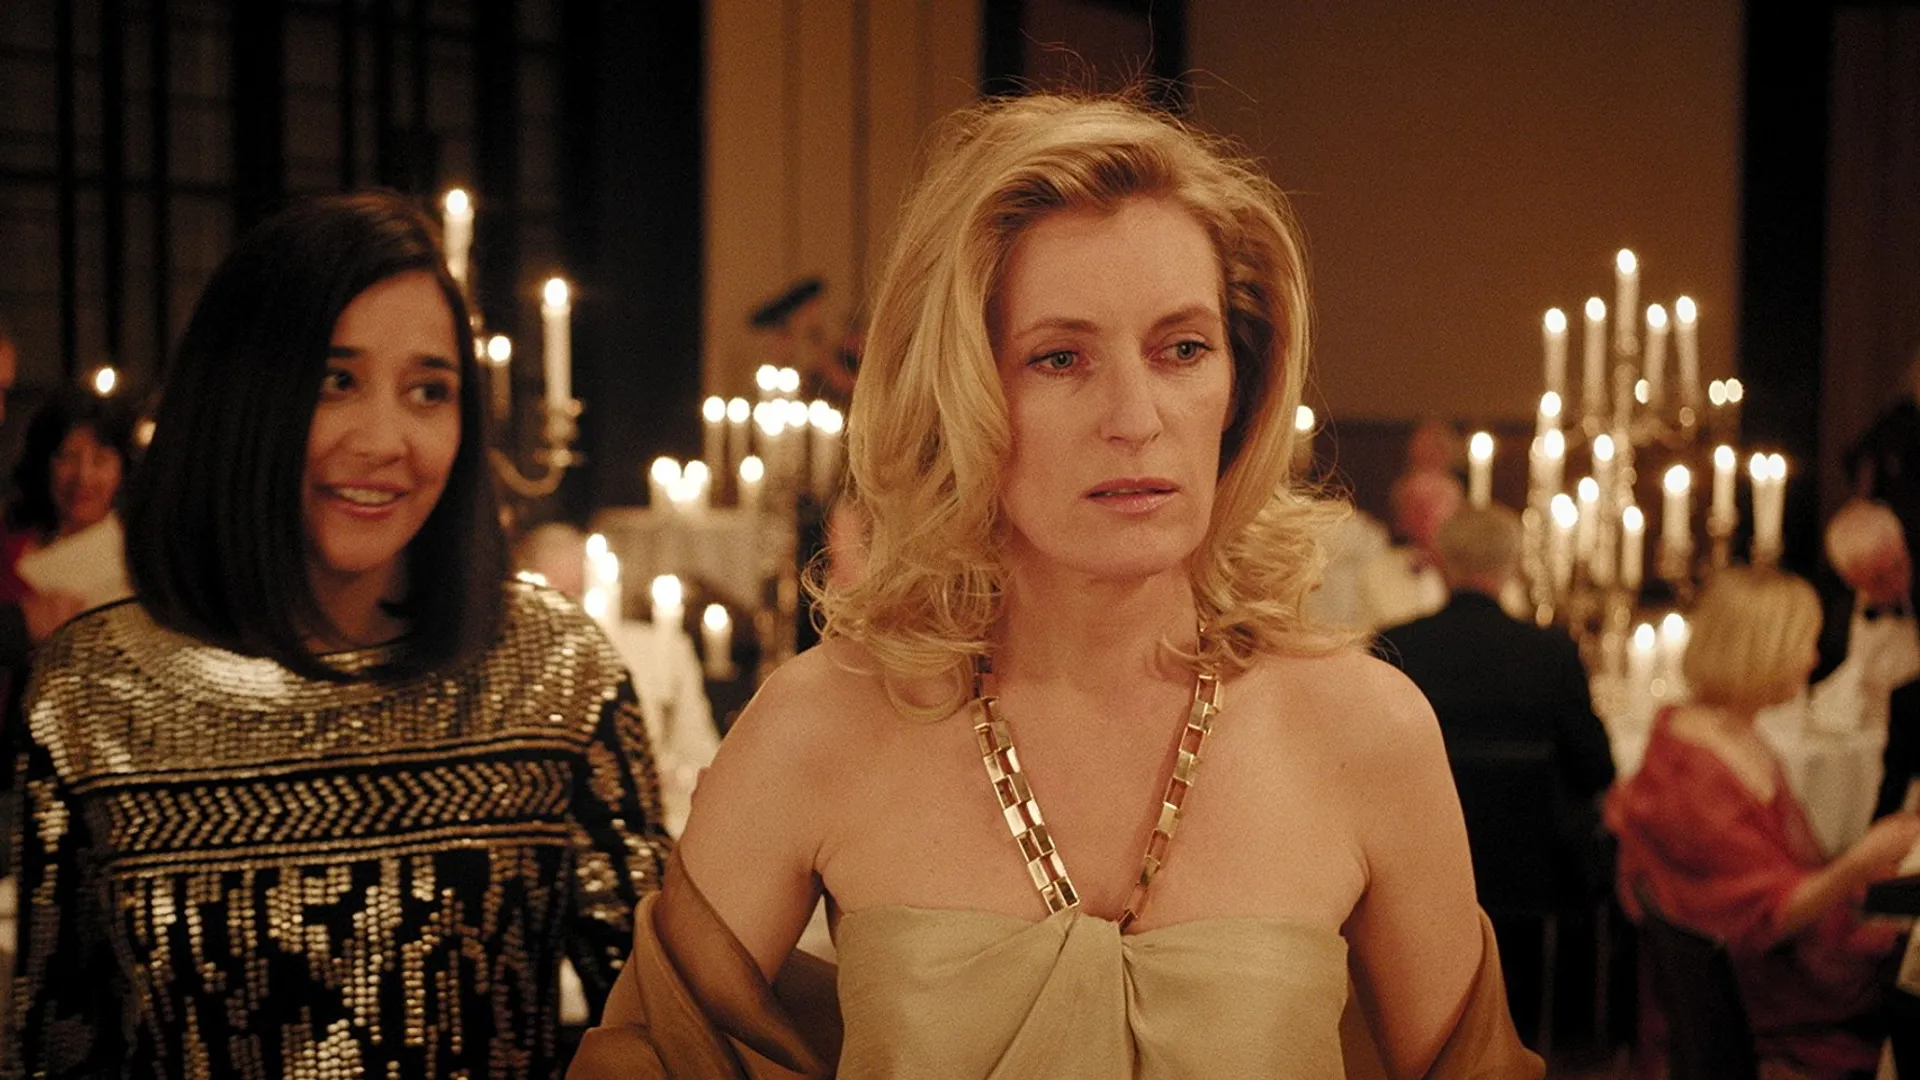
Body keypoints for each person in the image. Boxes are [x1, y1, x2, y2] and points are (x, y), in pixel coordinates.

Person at [571, 92, 1537, 1079]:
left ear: (1241, 387)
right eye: (1060, 358)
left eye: (1183, 349)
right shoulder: (822, 722)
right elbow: (644, 1057)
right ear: (961, 394)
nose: (1136, 417)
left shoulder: (1365, 731)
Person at [3, 191, 672, 1079]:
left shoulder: (551, 668)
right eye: (335, 380)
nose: (386, 440)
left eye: (429, 391)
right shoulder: (93, 692)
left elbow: (661, 1027)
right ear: (238, 396)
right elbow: (58, 1047)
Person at [1607, 566, 1920, 1080]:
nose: (1813, 659)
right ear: (1762, 651)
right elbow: (1759, 919)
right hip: (1751, 996)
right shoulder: (1696, 772)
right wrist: (1860, 861)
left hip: (1759, 969)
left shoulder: (1724, 731)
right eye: (1804, 644)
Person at [1822, 499, 1920, 817]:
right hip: (1848, 742)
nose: (1897, 582)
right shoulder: (1832, 609)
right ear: (1850, 578)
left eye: (1899, 566)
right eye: (1878, 578)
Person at [1358, 467, 1462, 631]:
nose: (1427, 513)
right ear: (1400, 518)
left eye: (1436, 503)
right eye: (1416, 506)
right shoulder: (1376, 570)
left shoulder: (1472, 569)